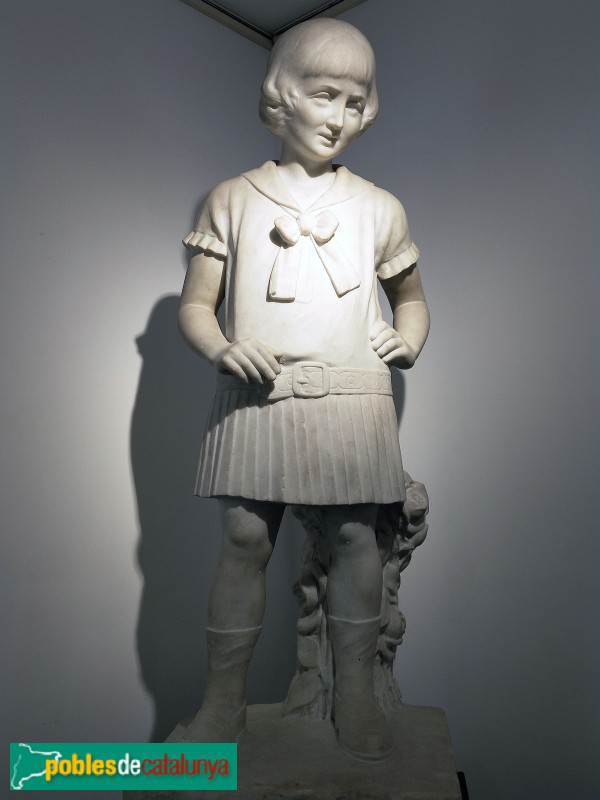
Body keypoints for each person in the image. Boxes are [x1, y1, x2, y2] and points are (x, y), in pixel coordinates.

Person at [178, 17, 429, 762]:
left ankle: (355, 696)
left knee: (354, 537)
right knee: (245, 538)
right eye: (324, 95)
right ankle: (222, 704)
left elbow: (412, 298)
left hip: (353, 398)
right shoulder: (232, 198)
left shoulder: (380, 207)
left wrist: (408, 338)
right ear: (281, 94)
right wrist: (222, 346)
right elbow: (196, 305)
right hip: (259, 395)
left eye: (355, 101)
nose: (339, 116)